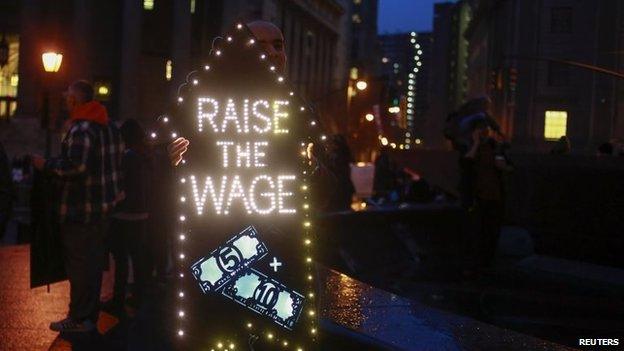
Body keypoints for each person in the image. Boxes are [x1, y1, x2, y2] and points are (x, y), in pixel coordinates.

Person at [32, 80, 124, 333]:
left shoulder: (82, 129)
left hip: (79, 211)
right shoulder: (110, 128)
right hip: (102, 210)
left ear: (76, 100)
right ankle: (88, 317)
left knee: (80, 266)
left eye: (68, 95)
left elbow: (77, 167)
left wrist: (45, 165)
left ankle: (79, 318)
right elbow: (116, 167)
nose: (64, 98)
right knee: (93, 265)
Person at [167, 20, 286, 167]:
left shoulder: (296, 108)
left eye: (278, 46)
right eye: (260, 47)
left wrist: (313, 166)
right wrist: (169, 161)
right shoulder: (199, 102)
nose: (273, 53)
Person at [105, 119, 151, 314]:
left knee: (121, 259)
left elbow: (121, 185)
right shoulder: (146, 156)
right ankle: (139, 297)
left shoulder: (126, 157)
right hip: (141, 214)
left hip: (124, 215)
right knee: (138, 258)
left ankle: (118, 299)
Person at [461, 120, 511, 271]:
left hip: (495, 197)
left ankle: (488, 265)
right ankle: (476, 266)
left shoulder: (494, 147)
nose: (484, 132)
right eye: (481, 129)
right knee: (477, 234)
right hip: (478, 199)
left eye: (486, 129)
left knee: (492, 234)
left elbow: (508, 165)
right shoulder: (469, 146)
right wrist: (476, 143)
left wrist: (504, 167)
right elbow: (466, 164)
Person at [325, 135, 355, 211]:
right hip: (338, 177)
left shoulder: (341, 152)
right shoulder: (340, 152)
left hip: (341, 176)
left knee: (341, 191)